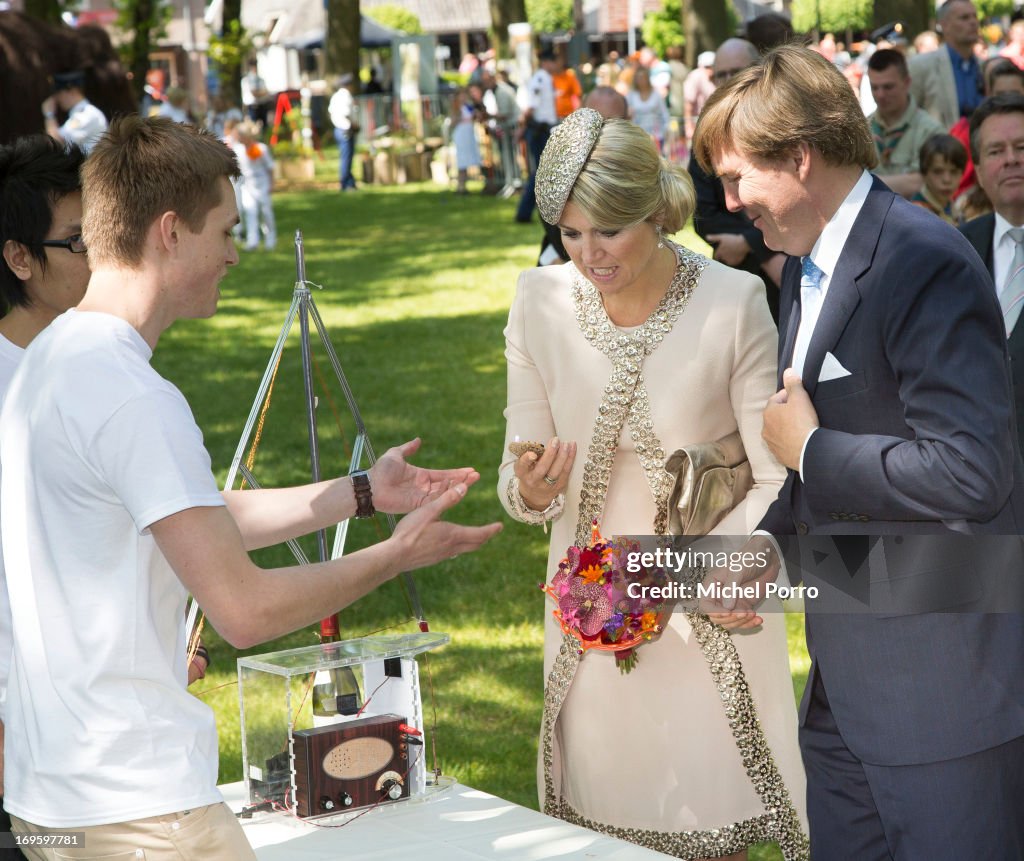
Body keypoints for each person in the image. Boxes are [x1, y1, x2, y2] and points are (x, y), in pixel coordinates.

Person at [1, 116, 501, 859]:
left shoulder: (46, 358)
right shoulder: (129, 393)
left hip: (54, 799)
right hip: (140, 812)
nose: (234, 254)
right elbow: (244, 608)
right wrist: (394, 556)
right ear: (170, 231)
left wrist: (356, 492)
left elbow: (182, 512)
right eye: (225, 231)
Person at [694, 44, 1024, 858]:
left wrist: (810, 447)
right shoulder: (808, 269)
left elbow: (971, 473)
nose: (731, 202)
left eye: (739, 178)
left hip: (943, 701)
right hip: (847, 695)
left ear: (800, 156)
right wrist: (770, 548)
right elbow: (827, 460)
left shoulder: (922, 262)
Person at [499, 108, 808, 860]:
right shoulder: (538, 302)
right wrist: (533, 490)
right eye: (569, 234)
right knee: (604, 832)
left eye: (606, 230)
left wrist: (744, 571)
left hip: (711, 602)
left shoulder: (732, 303)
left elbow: (775, 474)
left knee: (712, 829)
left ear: (656, 210)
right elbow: (516, 479)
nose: (587, 254)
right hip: (592, 611)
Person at [689, 38, 785, 322]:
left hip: (786, 265)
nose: (728, 81)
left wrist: (748, 240)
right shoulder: (705, 134)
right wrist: (751, 243)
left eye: (737, 72)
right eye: (721, 74)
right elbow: (702, 213)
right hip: (734, 271)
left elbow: (794, 198)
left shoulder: (782, 124)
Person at [961, 93, 1024, 453]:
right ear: (980, 171)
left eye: (1021, 146)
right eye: (996, 151)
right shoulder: (957, 250)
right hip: (983, 464)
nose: (1012, 159)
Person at [537, 87, 628, 266]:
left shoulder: (635, 157)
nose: (601, 130)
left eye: (611, 122)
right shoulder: (560, 152)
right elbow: (547, 211)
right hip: (562, 258)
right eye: (596, 119)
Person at [866, 49, 945, 198]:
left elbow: (924, 183)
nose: (880, 95)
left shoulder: (931, 131)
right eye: (874, 87)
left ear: (907, 82)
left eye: (888, 87)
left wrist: (863, 184)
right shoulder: (862, 130)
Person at [909, 0, 982, 128]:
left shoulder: (984, 67)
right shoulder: (920, 66)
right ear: (944, 25)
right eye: (964, 18)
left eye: (975, 16)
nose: (973, 22)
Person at [515, 49, 559, 223]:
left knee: (542, 173)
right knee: (540, 173)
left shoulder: (545, 78)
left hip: (543, 129)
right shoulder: (540, 78)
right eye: (554, 61)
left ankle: (534, 211)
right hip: (539, 130)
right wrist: (523, 127)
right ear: (547, 62)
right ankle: (524, 212)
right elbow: (531, 106)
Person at [232, 122, 276, 250]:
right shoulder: (238, 149)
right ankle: (253, 240)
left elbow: (270, 167)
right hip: (247, 184)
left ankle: (270, 239)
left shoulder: (260, 148)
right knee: (250, 211)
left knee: (266, 212)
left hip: (262, 183)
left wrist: (271, 183)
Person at [40, 70, 107, 154]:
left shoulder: (87, 115)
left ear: (72, 91)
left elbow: (56, 143)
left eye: (59, 93)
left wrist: (49, 115)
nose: (56, 98)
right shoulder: (81, 113)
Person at [909, 133, 967, 221]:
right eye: (938, 172)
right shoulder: (916, 213)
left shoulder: (954, 209)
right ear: (924, 173)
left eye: (954, 172)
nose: (947, 180)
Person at [626, 65, 670, 151]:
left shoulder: (656, 94)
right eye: (639, 78)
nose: (641, 80)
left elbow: (664, 113)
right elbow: (626, 113)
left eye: (643, 77)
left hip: (657, 134)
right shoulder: (631, 95)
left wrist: (665, 130)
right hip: (638, 135)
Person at [328, 73, 358, 191]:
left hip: (338, 129)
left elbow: (330, 112)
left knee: (345, 156)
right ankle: (346, 183)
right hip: (346, 129)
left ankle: (349, 181)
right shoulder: (346, 96)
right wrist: (354, 125)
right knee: (347, 157)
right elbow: (347, 113)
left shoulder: (335, 96)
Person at [450, 87, 482, 194]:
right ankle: (460, 186)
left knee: (466, 160)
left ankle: (463, 186)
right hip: (461, 135)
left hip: (468, 135)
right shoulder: (456, 107)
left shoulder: (468, 106)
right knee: (462, 161)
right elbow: (453, 122)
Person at [240, 60, 270, 127]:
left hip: (262, 105)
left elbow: (266, 91)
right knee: (253, 126)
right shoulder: (247, 80)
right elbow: (254, 93)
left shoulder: (260, 79)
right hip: (252, 107)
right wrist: (261, 93)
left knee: (265, 126)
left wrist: (260, 93)